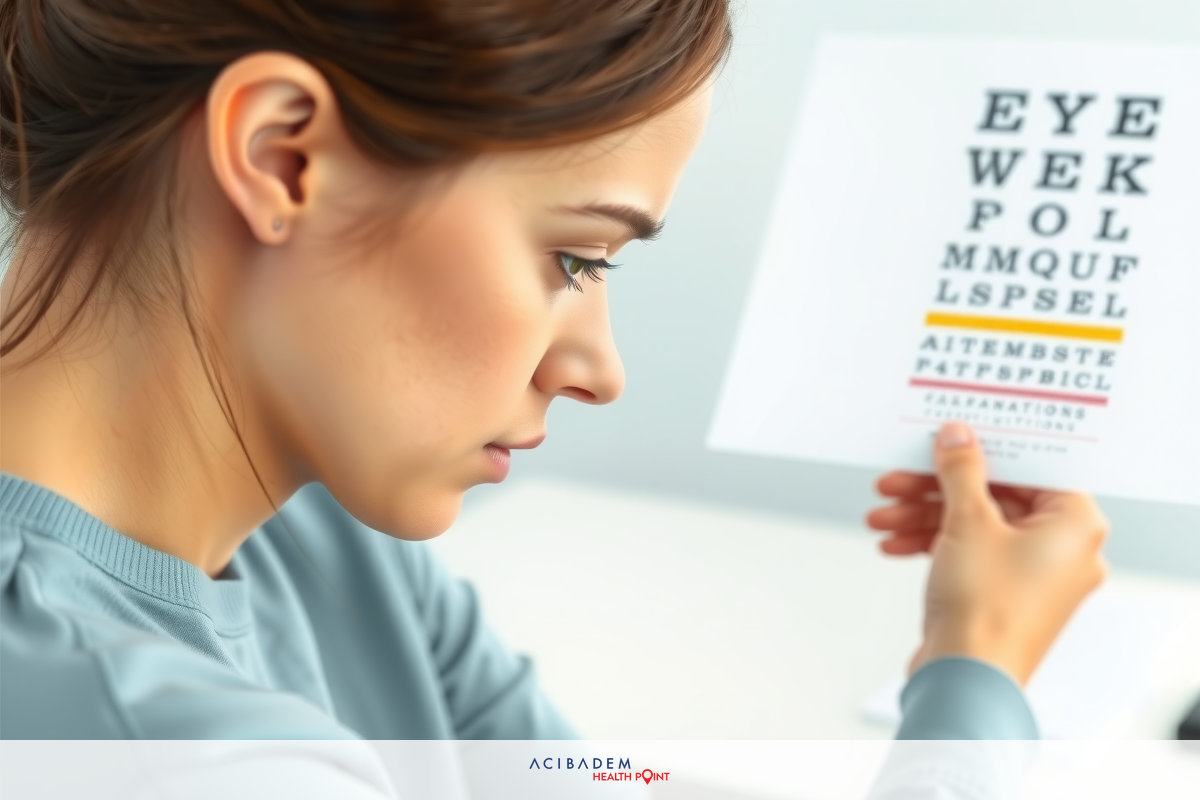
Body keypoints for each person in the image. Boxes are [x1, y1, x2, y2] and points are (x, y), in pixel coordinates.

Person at [1, 0, 1107, 792]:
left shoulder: (327, 541)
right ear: (285, 155)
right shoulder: (168, 749)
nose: (599, 369)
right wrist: (974, 677)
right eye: (577, 257)